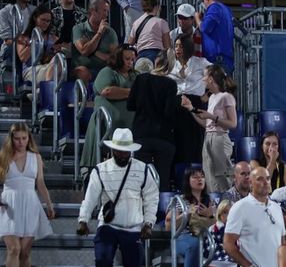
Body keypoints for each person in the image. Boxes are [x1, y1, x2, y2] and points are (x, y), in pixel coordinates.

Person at [77, 128, 159, 267]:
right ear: (112, 150)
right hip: (108, 225)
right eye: (119, 151)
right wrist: (83, 219)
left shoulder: (143, 169)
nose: (122, 155)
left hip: (133, 227)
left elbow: (151, 197)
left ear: (131, 151)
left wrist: (148, 222)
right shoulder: (100, 170)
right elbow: (90, 197)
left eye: (125, 152)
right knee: (103, 260)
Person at [0, 123, 54, 267]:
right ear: (11, 139)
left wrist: (49, 204)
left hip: (30, 204)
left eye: (24, 138)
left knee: (25, 252)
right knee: (14, 249)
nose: (21, 142)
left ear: (29, 138)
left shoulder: (35, 157)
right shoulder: (3, 157)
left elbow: (41, 183)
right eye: (17, 139)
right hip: (9, 205)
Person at [181, 65, 237, 193]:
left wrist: (211, 116)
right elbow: (206, 124)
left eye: (205, 76)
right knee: (210, 178)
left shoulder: (226, 97)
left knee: (223, 177)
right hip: (208, 137)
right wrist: (190, 108)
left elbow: (233, 124)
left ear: (211, 79)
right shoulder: (212, 97)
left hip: (220, 139)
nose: (203, 79)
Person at [126, 53, 178, 190]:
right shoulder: (171, 84)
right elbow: (169, 113)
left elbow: (130, 105)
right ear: (171, 67)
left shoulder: (140, 79)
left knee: (140, 179)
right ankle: (161, 210)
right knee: (163, 180)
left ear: (156, 61)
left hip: (141, 135)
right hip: (163, 137)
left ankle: (140, 210)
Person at [80, 45, 137, 169]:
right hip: (105, 124)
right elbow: (107, 91)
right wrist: (132, 92)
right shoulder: (107, 72)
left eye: (133, 59)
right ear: (118, 58)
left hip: (128, 129)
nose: (131, 62)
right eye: (127, 59)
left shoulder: (135, 75)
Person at [224, 166, 285, 267]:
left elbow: (282, 242)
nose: (265, 182)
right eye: (260, 179)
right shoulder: (240, 207)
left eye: (268, 178)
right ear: (250, 183)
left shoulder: (277, 208)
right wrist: (249, 265)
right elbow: (228, 243)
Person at [165, 167, 214, 267]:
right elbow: (168, 226)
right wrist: (186, 213)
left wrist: (211, 215)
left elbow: (220, 225)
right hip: (182, 238)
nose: (199, 179)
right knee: (195, 245)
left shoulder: (210, 201)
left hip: (206, 237)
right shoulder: (179, 200)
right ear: (188, 181)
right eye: (195, 177)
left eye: (202, 177)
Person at [69, 0, 117, 84]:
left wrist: (94, 51)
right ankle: (84, 98)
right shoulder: (78, 29)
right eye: (104, 10)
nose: (106, 14)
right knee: (83, 72)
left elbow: (115, 58)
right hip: (82, 68)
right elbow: (84, 51)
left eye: (107, 11)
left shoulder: (110, 32)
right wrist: (99, 33)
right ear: (92, 11)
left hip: (104, 69)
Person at [123, 0, 170, 65]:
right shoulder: (162, 22)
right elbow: (167, 46)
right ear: (156, 6)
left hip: (141, 57)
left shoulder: (136, 23)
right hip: (157, 57)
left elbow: (130, 43)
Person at [196, 0, 234, 72]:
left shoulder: (214, 8)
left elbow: (205, 28)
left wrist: (197, 18)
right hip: (224, 59)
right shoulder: (226, 9)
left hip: (217, 60)